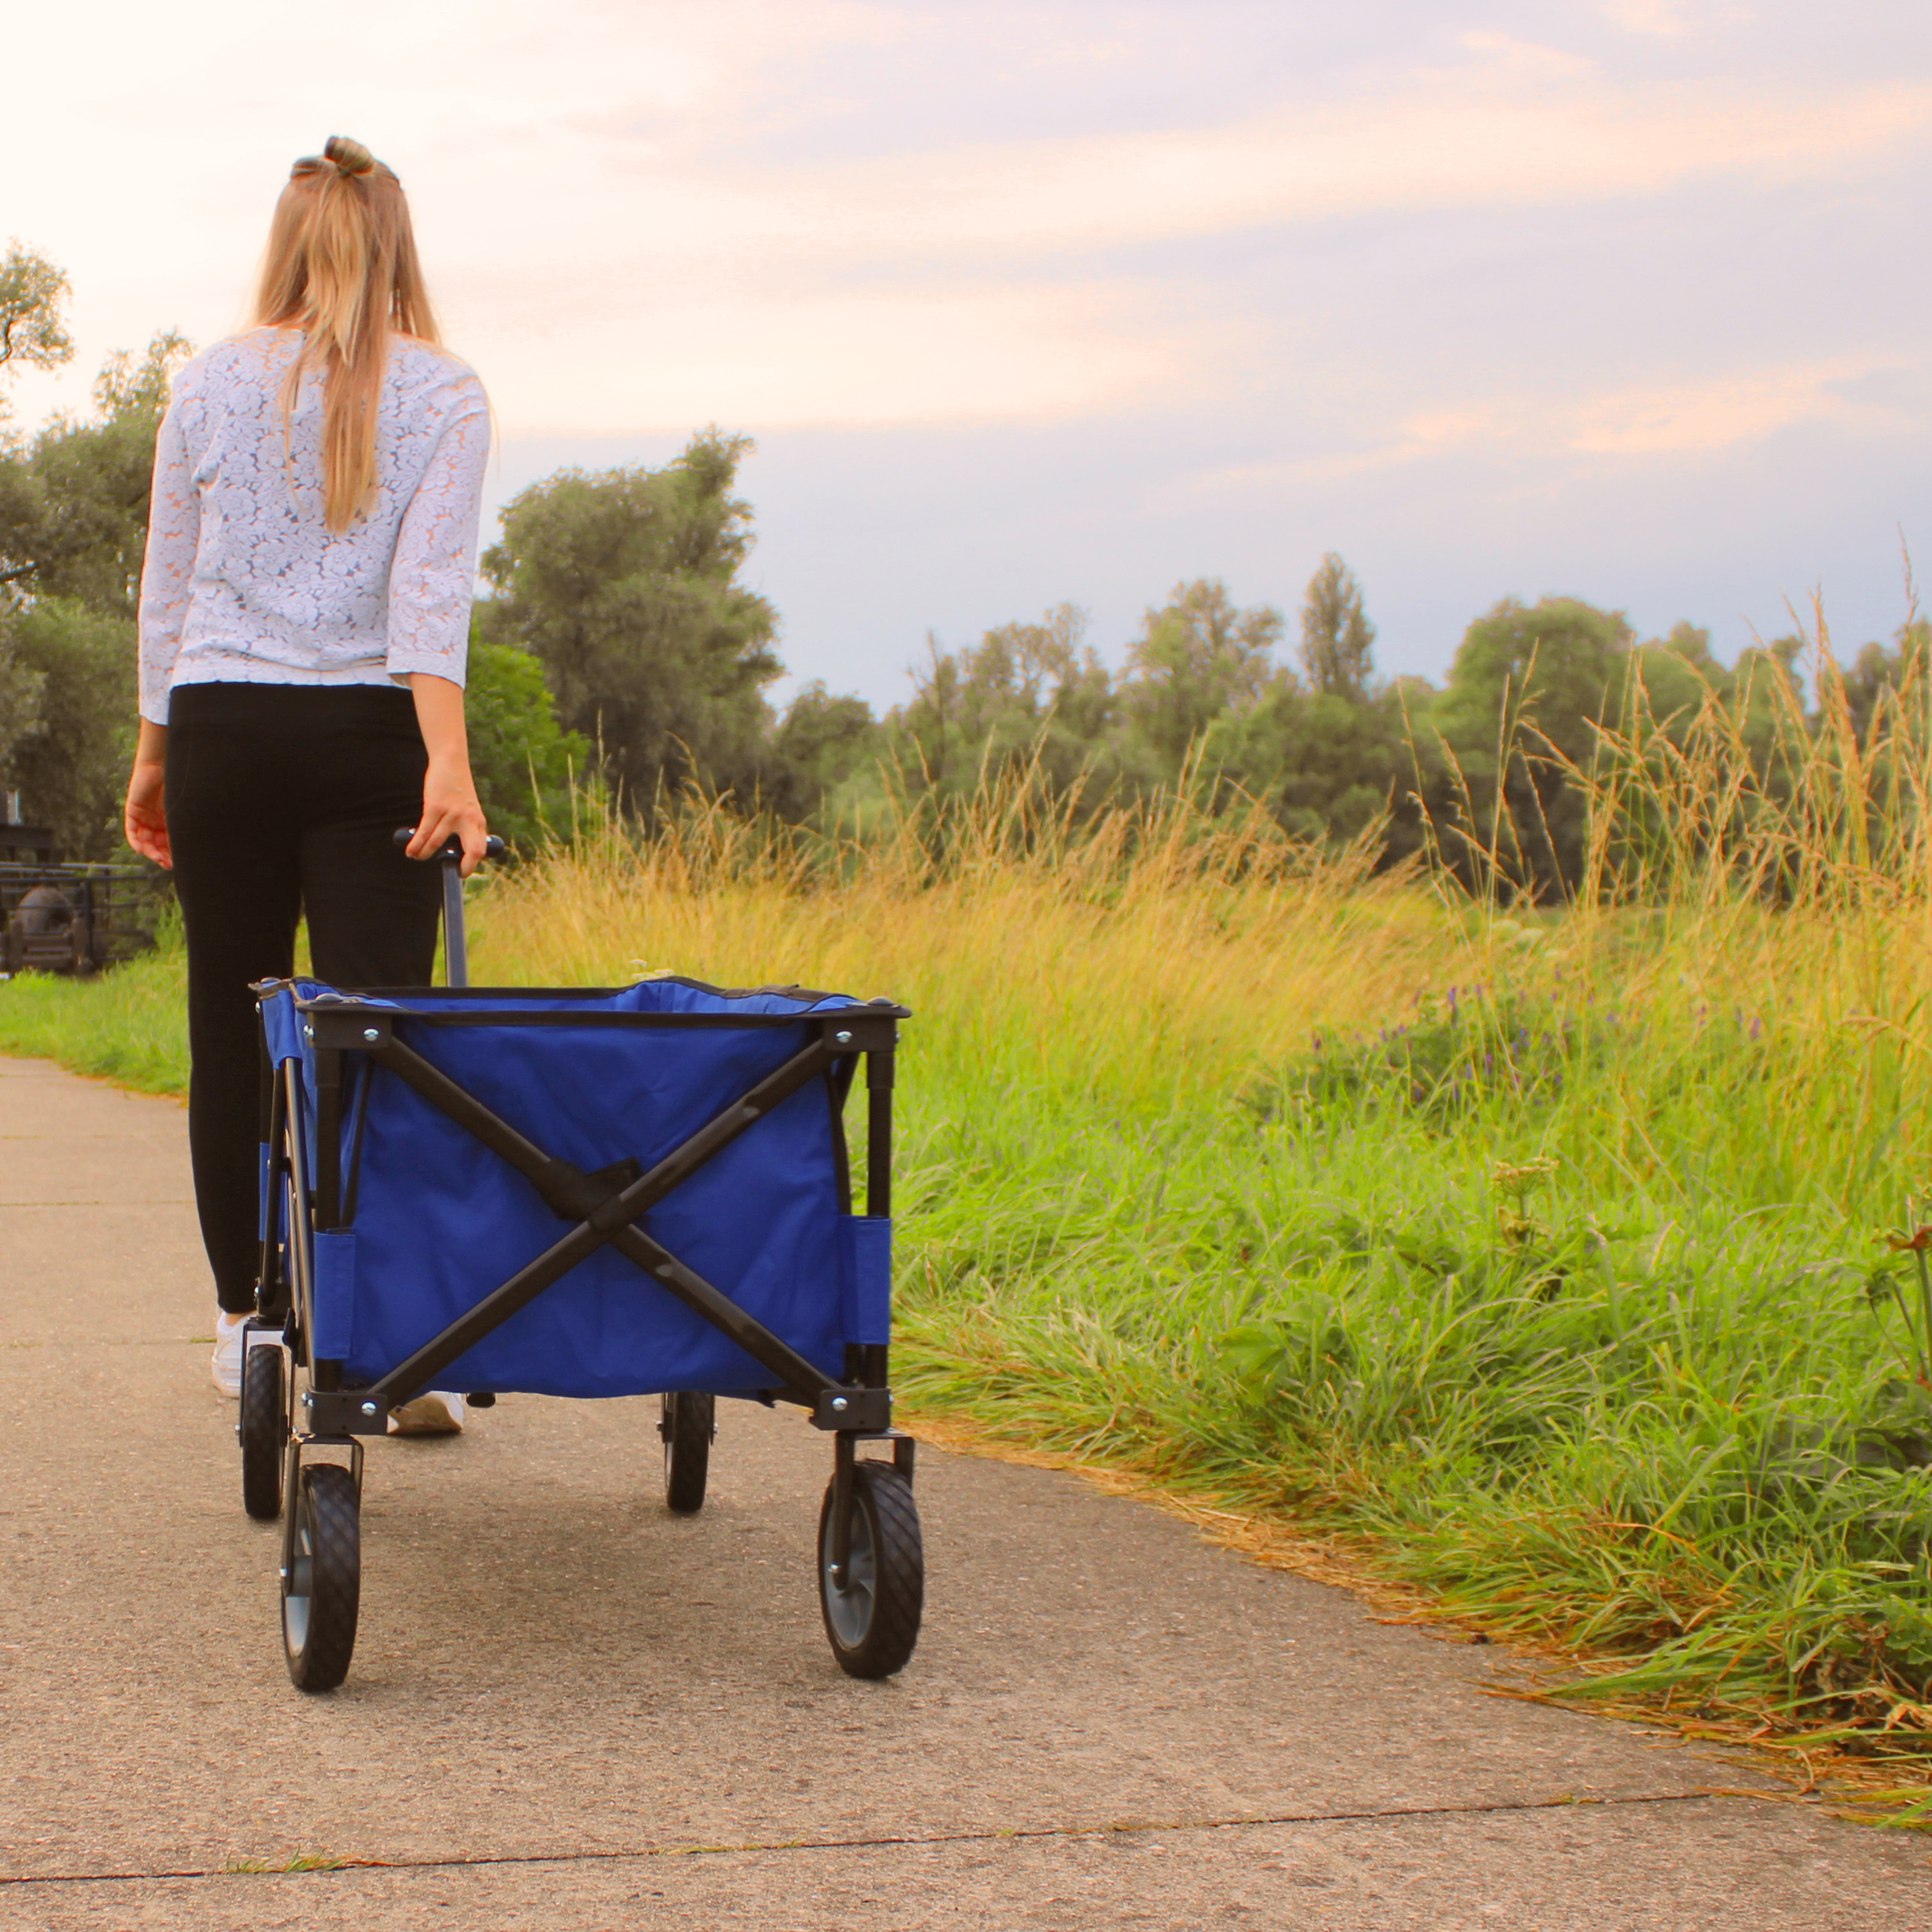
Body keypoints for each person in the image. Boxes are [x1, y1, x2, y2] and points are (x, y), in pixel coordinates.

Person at [124, 135, 490, 1434]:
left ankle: (248, 1327)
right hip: (370, 740)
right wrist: (449, 763)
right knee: (376, 1032)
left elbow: (170, 582)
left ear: (285, 244)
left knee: (233, 1022)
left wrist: (157, 752)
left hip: (224, 727)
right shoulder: (447, 392)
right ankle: (391, 1341)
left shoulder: (206, 385)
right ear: (397, 245)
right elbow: (430, 597)